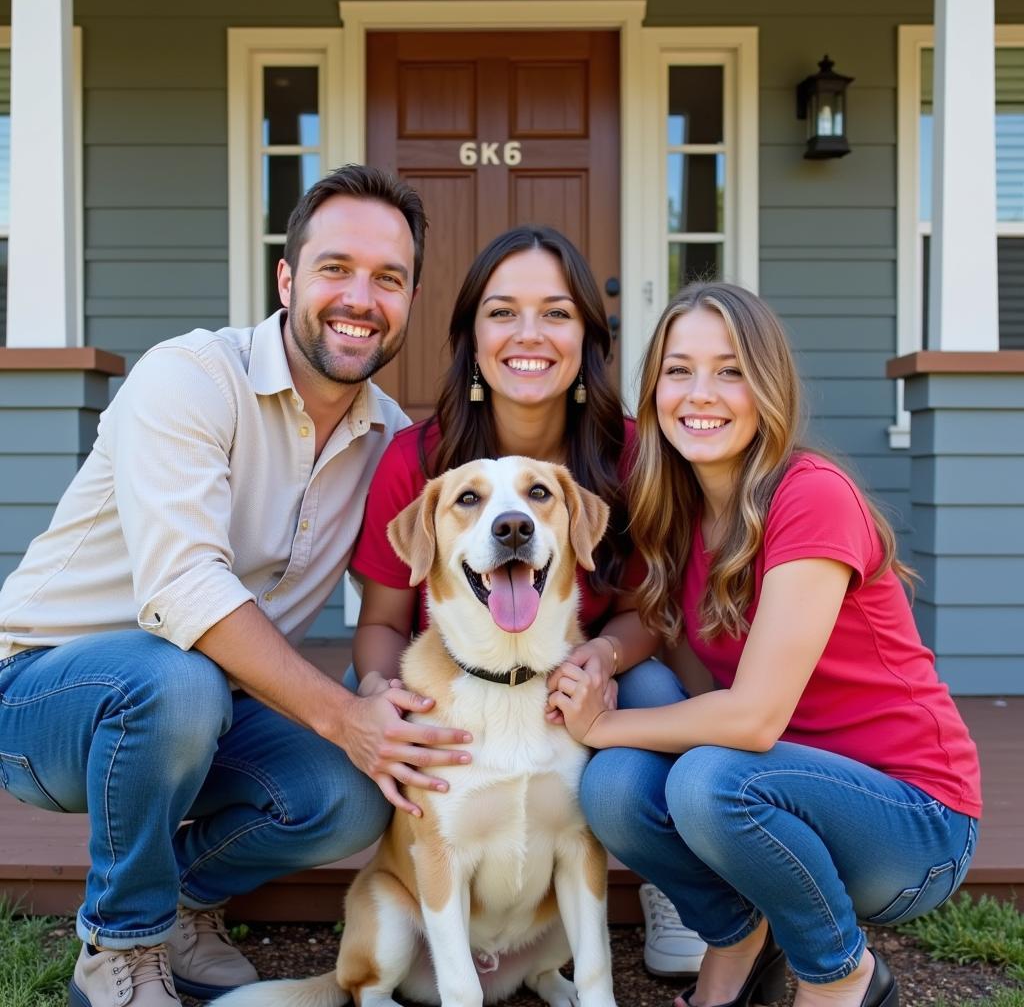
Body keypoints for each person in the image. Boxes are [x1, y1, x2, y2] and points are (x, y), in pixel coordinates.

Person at [0, 165, 475, 1007]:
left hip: (213, 698)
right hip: (44, 693)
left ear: (410, 300)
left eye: (388, 279)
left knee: (350, 790)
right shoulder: (188, 377)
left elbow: (418, 604)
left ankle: (186, 901)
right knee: (172, 678)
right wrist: (343, 715)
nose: (360, 297)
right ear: (287, 279)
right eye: (335, 268)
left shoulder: (391, 443)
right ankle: (121, 942)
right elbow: (181, 590)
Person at [548, 281, 981, 1007]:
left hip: (914, 823)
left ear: (767, 387)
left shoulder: (811, 494)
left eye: (730, 370)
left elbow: (751, 721)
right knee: (613, 788)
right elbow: (659, 628)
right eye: (678, 370)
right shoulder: (676, 506)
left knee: (706, 780)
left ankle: (841, 974)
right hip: (778, 797)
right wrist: (606, 657)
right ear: (654, 390)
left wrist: (603, 723)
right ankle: (737, 934)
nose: (700, 393)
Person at [348, 222, 708, 976]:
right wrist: (381, 695)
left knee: (651, 681)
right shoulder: (417, 461)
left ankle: (673, 880)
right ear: (472, 337)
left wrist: (600, 656)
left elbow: (653, 605)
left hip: (582, 671)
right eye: (503, 311)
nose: (529, 334)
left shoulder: (634, 454)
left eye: (556, 312)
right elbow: (382, 620)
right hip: (461, 680)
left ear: (587, 335)